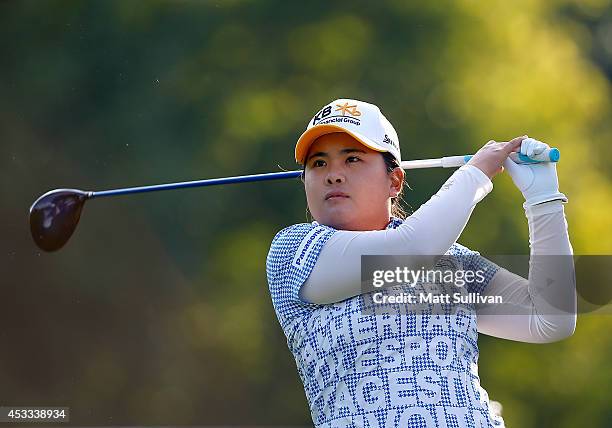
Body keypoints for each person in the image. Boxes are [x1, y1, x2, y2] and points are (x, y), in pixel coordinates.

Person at [266, 98, 576, 427]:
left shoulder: (450, 261)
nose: (333, 176)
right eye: (318, 164)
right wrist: (474, 175)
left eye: (352, 159)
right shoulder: (295, 252)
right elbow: (410, 247)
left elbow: (550, 318)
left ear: (394, 182)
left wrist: (543, 200)